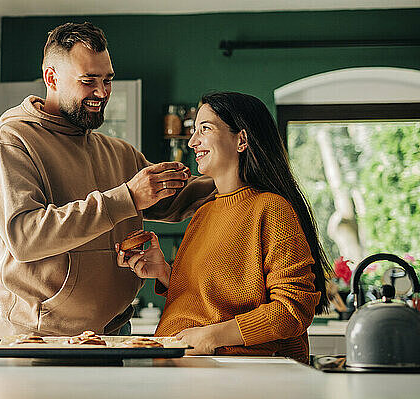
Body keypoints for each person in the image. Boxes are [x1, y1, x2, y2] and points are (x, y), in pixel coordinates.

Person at [0, 22, 215, 338]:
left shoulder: (118, 152)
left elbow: (175, 200)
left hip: (116, 334)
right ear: (51, 77)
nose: (101, 93)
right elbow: (26, 236)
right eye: (89, 81)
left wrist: (236, 178)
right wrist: (128, 197)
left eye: (107, 80)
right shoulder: (10, 142)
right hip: (38, 339)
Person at [116, 92, 331, 363]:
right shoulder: (204, 212)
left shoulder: (271, 209)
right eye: (194, 131)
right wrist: (165, 274)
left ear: (241, 139)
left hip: (238, 372)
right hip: (185, 368)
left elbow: (292, 311)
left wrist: (212, 336)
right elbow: (215, 301)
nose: (193, 141)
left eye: (205, 129)